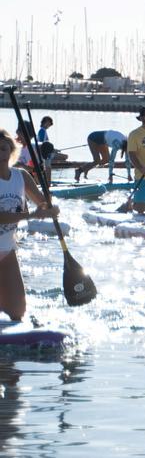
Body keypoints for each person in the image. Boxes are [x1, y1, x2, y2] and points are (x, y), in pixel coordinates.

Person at [0, 129, 59, 321]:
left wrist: (50, 207)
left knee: (18, 312)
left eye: (3, 148)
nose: (0, 153)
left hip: (7, 250)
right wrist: (32, 214)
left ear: (11, 150)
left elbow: (41, 202)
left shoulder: (21, 176)